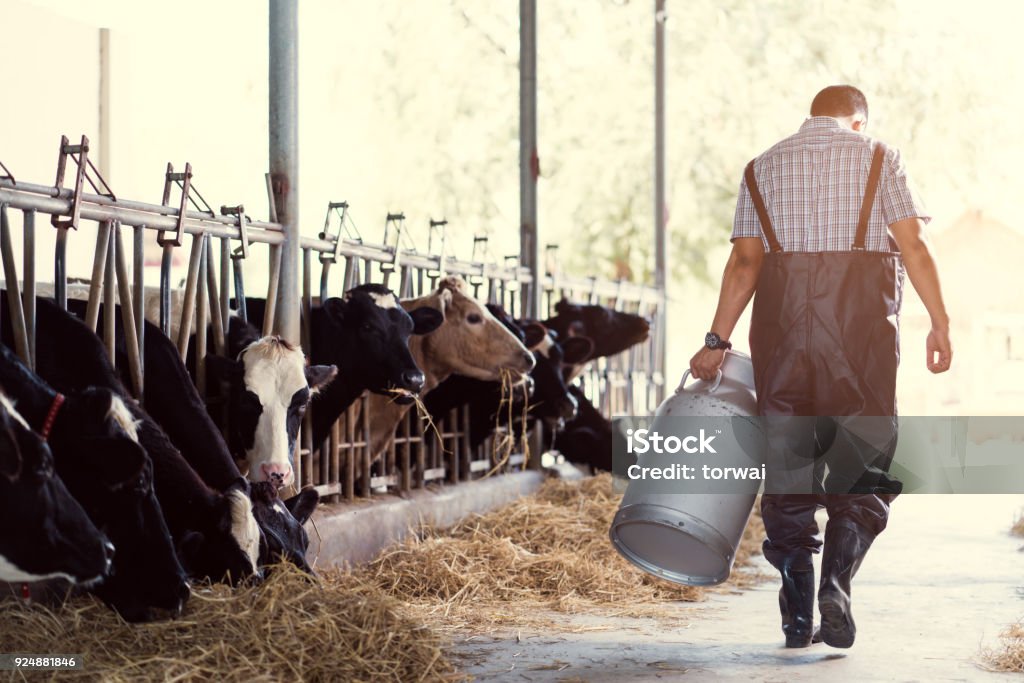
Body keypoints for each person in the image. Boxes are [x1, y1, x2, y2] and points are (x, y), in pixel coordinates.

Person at [689, 85, 952, 649]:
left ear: (812, 117)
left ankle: (795, 608)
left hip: (782, 337)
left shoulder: (762, 167)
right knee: (863, 468)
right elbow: (915, 246)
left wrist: (717, 339)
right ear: (858, 122)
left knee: (788, 474)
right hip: (861, 340)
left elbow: (744, 262)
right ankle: (836, 582)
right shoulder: (881, 156)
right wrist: (940, 321)